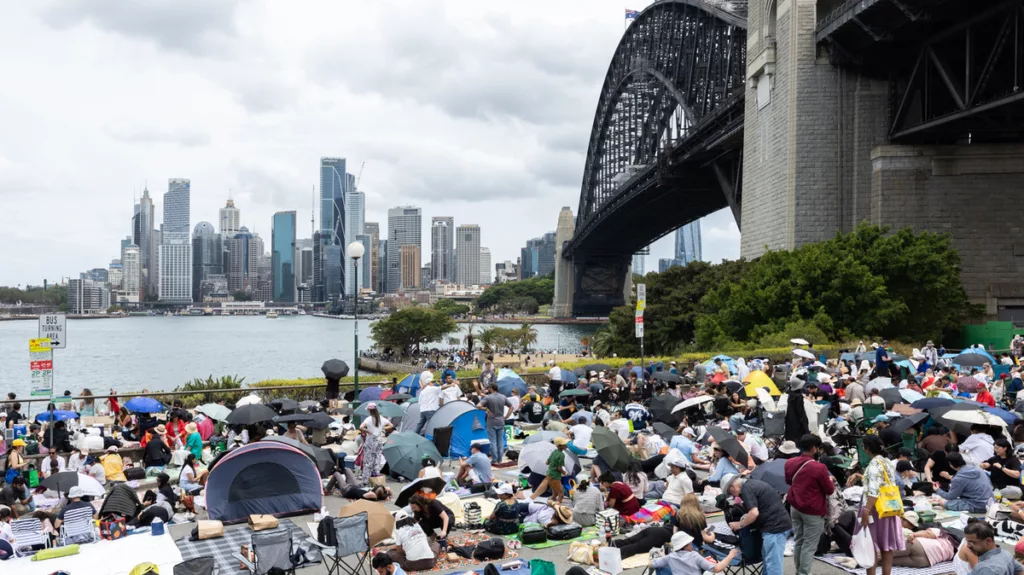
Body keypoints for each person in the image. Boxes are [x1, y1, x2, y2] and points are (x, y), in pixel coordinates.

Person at [853, 435, 905, 575]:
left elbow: (874, 490)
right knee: (886, 546)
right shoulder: (886, 462)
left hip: (874, 508)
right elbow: (882, 481)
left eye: (863, 446)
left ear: (868, 448)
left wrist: (866, 510)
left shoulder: (874, 464)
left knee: (871, 544)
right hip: (888, 507)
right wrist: (859, 476)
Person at [785, 434, 835, 575]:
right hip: (813, 509)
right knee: (809, 544)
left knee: (799, 540)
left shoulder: (790, 462)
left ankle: (799, 570)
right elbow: (829, 490)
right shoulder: (819, 468)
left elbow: (789, 481)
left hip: (795, 505)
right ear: (814, 448)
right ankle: (804, 573)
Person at [725, 473, 792, 575]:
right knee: (768, 561)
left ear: (733, 487)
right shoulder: (752, 483)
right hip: (774, 526)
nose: (734, 496)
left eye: (731, 493)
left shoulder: (746, 489)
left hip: (774, 528)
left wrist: (739, 524)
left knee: (773, 565)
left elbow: (754, 513)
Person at [651, 531, 738, 575]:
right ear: (685, 546)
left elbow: (652, 564)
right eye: (690, 544)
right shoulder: (694, 555)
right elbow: (717, 568)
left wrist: (658, 557)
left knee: (660, 568)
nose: (691, 546)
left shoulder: (670, 557)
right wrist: (730, 556)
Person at [890, 511, 956, 567]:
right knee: (887, 561)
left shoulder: (943, 534)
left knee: (884, 556)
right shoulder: (954, 551)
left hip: (920, 546)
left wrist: (913, 535)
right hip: (926, 561)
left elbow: (927, 534)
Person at [359, 403, 392, 483]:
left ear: (369, 410)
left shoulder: (368, 419)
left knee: (368, 461)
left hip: (371, 440)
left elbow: (361, 427)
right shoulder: (381, 418)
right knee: (377, 458)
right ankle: (375, 477)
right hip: (379, 440)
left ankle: (366, 481)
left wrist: (368, 430)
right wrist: (382, 428)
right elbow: (391, 425)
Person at [530, 436, 568, 503]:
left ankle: (550, 502)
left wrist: (553, 463)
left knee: (555, 493)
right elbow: (559, 468)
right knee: (561, 494)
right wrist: (564, 472)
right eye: (564, 445)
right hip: (555, 476)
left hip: (549, 473)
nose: (566, 446)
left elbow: (547, 462)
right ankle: (558, 506)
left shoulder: (554, 452)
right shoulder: (561, 455)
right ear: (559, 446)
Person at [325, 467, 391, 501]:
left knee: (336, 474)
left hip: (346, 489)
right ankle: (337, 484)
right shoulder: (381, 495)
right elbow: (388, 490)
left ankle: (327, 490)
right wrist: (386, 490)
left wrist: (384, 490)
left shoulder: (372, 495)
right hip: (355, 486)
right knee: (348, 470)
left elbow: (374, 494)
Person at [415, 368, 440, 435]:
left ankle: (415, 435)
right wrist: (450, 385)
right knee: (432, 424)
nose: (433, 383)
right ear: (429, 383)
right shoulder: (433, 389)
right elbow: (442, 388)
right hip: (431, 409)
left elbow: (419, 402)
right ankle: (431, 436)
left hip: (423, 410)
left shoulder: (422, 391)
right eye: (432, 382)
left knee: (420, 424)